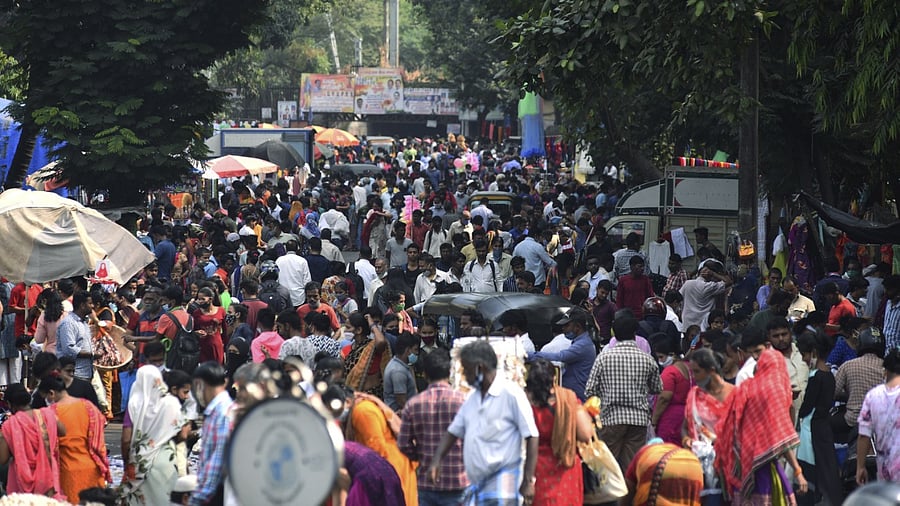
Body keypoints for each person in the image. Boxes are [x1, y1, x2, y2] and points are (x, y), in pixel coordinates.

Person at [428, 340, 539, 505]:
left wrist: (528, 480)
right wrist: (437, 460)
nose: (465, 376)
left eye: (467, 370)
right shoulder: (473, 398)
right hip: (477, 485)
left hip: (504, 486)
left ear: (480, 368)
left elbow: (531, 436)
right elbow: (453, 431)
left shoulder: (511, 394)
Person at [714, 349, 808, 504]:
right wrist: (798, 471)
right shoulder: (773, 393)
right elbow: (781, 438)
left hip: (740, 464)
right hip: (763, 468)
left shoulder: (745, 388)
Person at [585, 315, 662, 471]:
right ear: (634, 334)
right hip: (638, 421)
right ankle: (629, 487)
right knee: (631, 465)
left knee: (609, 467)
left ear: (614, 333)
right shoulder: (646, 359)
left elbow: (590, 390)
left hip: (610, 418)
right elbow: (657, 388)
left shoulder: (603, 358)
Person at [398, 349, 468, 506]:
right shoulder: (463, 401)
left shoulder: (413, 404)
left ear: (424, 374)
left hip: (426, 482)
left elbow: (403, 444)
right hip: (457, 481)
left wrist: (421, 456)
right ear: (450, 372)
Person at [525, 358, 593, 506]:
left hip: (535, 469)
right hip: (565, 465)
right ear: (554, 379)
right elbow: (586, 434)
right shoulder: (567, 399)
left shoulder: (525, 402)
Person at [38, 374, 110, 503]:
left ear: (51, 393)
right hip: (92, 468)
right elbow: (99, 439)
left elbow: (46, 445)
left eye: (46, 397)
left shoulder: (50, 413)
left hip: (67, 472)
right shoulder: (88, 406)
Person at [121, 366, 188, 505]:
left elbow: (126, 440)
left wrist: (127, 461)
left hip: (139, 460)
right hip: (166, 459)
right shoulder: (171, 403)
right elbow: (182, 434)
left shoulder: (134, 404)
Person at [344, 388, 418, 506]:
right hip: (391, 463)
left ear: (347, 401)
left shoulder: (363, 411)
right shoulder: (363, 406)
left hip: (391, 464)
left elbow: (376, 448)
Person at [683, 348, 735, 505]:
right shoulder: (694, 394)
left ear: (711, 370)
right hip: (700, 466)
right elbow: (685, 427)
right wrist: (686, 440)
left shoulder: (733, 394)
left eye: (697, 372)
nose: (694, 377)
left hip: (730, 465)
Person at [796, 332, 842, 506]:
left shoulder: (815, 377)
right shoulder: (829, 375)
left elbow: (807, 407)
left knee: (810, 468)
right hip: (824, 428)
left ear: (814, 352)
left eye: (804, 354)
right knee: (827, 468)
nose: (803, 359)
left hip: (812, 429)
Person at [0, 383, 65, 499]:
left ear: (10, 404)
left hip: (21, 481)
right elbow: (63, 431)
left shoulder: (10, 425)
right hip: (48, 475)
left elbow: (3, 459)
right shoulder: (47, 414)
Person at [190, 362, 234, 506]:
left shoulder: (222, 413)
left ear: (200, 385)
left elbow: (217, 462)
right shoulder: (216, 411)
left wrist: (197, 499)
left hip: (214, 496)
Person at [528, 308, 596, 400]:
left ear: (578, 326)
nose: (563, 329)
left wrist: (530, 355)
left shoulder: (582, 345)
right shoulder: (581, 342)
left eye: (567, 325)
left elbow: (560, 356)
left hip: (578, 396)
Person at [857, 347, 900, 485]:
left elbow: (864, 435)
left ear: (885, 371)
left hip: (886, 473)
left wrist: (860, 467)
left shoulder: (873, 396)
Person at [622, 440, 704, 506]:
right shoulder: (671, 448)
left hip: (658, 466)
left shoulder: (643, 453)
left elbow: (627, 490)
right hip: (692, 463)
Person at [649, 333, 692, 446]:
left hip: (671, 420)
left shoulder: (670, 372)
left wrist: (654, 421)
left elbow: (664, 398)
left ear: (672, 354)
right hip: (689, 417)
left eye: (661, 357)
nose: (660, 361)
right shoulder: (690, 367)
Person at [344, 312, 391, 397]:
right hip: (353, 396)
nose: (345, 330)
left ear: (359, 330)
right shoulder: (348, 349)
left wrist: (372, 325)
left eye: (348, 327)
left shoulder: (372, 347)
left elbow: (381, 341)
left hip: (371, 395)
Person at [680, 260, 732, 331]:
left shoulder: (687, 284)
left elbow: (679, 299)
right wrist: (714, 274)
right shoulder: (709, 287)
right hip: (703, 327)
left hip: (686, 325)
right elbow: (729, 281)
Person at [55, 291, 95, 381]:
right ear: (82, 305)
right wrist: (91, 355)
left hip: (86, 373)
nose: (93, 306)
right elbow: (69, 350)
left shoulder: (84, 322)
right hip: (74, 374)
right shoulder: (69, 323)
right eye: (90, 303)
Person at [383, 331, 419, 411]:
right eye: (415, 350)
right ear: (408, 350)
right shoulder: (398, 371)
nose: (417, 353)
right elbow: (401, 401)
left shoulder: (401, 365)